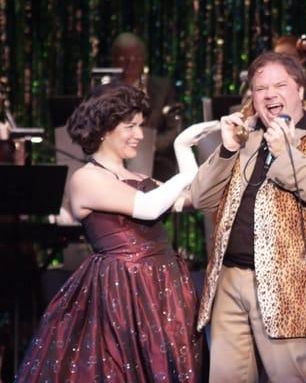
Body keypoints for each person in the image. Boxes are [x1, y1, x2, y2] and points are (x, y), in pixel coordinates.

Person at [14, 82, 204, 382]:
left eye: (141, 125)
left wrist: (223, 151)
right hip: (122, 292)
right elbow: (149, 207)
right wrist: (182, 158)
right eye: (130, 126)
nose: (140, 135)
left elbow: (191, 198)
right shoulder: (86, 179)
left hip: (163, 287)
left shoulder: (142, 178)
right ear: (103, 128)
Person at [189, 51, 306, 382]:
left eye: (280, 84)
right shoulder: (243, 137)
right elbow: (201, 198)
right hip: (229, 280)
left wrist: (286, 153)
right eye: (260, 88)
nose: (269, 94)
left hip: (289, 285)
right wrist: (226, 150)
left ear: (300, 91)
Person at [111, 32, 181, 181]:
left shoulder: (162, 88)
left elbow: (175, 128)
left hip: (157, 160)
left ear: (143, 60)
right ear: (114, 60)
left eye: (136, 58)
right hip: (116, 159)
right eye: (124, 58)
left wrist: (151, 146)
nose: (130, 64)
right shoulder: (107, 90)